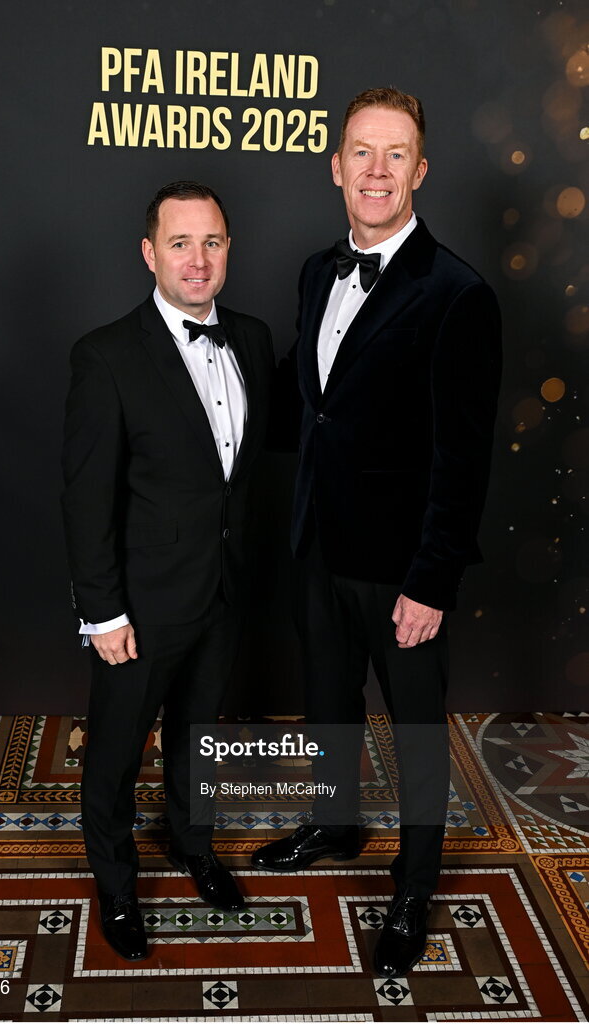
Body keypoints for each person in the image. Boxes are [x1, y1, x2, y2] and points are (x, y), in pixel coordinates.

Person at [253, 88, 502, 978]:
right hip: (319, 543)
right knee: (328, 701)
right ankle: (332, 821)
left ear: (419, 171)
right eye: (361, 151)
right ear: (335, 165)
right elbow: (305, 403)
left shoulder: (458, 294)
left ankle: (413, 885)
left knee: (417, 729)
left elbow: (460, 459)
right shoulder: (319, 271)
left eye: (395, 154)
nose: (375, 170)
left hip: (402, 569)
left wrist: (431, 580)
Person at [62, 181, 273, 962]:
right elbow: (85, 500)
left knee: (199, 736)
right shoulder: (105, 355)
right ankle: (114, 883)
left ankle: (194, 845)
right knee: (116, 754)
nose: (197, 259)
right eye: (179, 243)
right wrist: (102, 612)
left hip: (222, 589)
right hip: (140, 607)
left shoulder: (250, 339)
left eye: (211, 242)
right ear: (149, 254)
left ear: (228, 251)